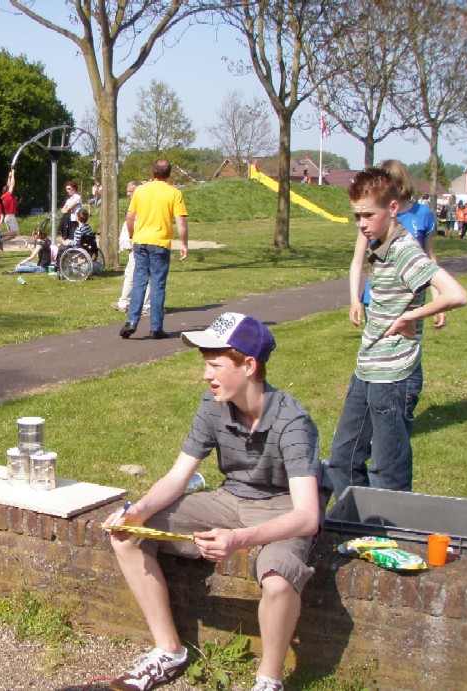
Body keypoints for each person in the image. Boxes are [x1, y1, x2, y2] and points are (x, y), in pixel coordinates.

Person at [108, 313, 323, 691]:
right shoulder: (212, 406)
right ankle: (168, 651)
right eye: (205, 365)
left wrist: (239, 540)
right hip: (227, 500)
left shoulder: (293, 421)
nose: (206, 375)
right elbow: (178, 477)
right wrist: (139, 510)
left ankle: (269, 681)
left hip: (281, 511)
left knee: (276, 581)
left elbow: (307, 517)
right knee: (125, 535)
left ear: (249, 365)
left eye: (215, 365)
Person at [327, 169, 467, 502]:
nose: (361, 223)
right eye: (356, 216)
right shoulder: (381, 246)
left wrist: (411, 315)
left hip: (394, 375)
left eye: (367, 215)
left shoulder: (404, 250)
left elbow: (456, 294)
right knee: (343, 459)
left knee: (387, 470)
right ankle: (358, 525)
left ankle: (392, 535)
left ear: (392, 209)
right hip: (368, 368)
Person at [349, 160, 446, 329]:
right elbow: (357, 262)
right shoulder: (370, 218)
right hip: (377, 297)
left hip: (409, 299)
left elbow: (430, 260)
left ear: (400, 186)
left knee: (404, 349)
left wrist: (438, 300)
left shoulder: (422, 214)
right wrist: (354, 299)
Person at [120, 159, 188, 340]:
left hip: (141, 241)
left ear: (153, 172)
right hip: (160, 242)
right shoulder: (174, 193)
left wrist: (133, 236)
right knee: (158, 284)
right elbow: (180, 221)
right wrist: (184, 244)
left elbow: (130, 216)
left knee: (139, 280)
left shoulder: (140, 190)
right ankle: (156, 327)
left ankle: (132, 321)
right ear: (169, 174)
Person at [113, 181, 150, 316]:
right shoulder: (135, 204)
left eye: (131, 191)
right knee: (130, 274)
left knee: (139, 274)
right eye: (127, 191)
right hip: (133, 246)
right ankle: (125, 302)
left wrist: (133, 238)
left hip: (139, 245)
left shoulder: (143, 205)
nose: (128, 194)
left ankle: (146, 305)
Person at [0, 170, 20, 248]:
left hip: (8, 217)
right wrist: (14, 173)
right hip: (10, 217)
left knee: (13, 235)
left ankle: (1, 241)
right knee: (16, 232)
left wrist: (10, 176)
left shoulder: (4, 196)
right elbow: (12, 184)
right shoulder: (8, 195)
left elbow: (8, 185)